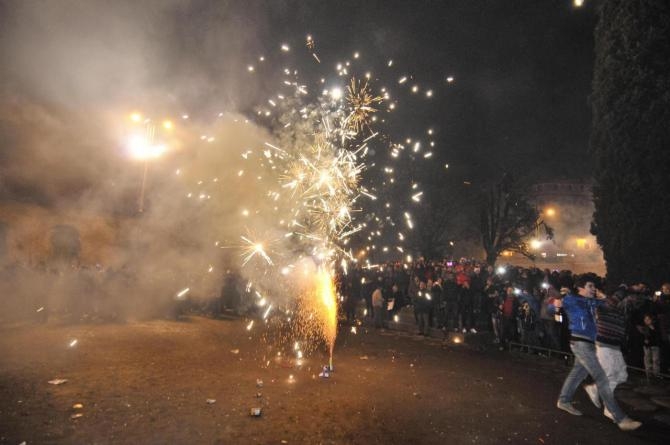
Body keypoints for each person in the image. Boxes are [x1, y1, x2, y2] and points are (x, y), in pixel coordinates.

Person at [556, 275, 641, 431]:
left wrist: (608, 297)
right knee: (601, 377)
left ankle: (564, 400)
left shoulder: (591, 302)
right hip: (580, 342)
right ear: (580, 288)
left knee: (578, 373)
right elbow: (559, 304)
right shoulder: (572, 299)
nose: (594, 289)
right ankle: (620, 418)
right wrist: (555, 303)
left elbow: (607, 303)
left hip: (588, 343)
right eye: (590, 286)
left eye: (594, 286)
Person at [583, 292, 629, 422]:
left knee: (621, 375)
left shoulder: (620, 313)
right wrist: (624, 289)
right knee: (609, 376)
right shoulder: (603, 308)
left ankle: (595, 388)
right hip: (604, 346)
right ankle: (609, 409)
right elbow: (610, 302)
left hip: (615, 347)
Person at [638, 313, 661, 378]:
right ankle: (648, 374)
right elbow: (642, 337)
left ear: (651, 320)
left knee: (655, 360)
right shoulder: (643, 328)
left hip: (654, 345)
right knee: (647, 360)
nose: (646, 320)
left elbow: (657, 336)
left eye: (648, 319)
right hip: (646, 346)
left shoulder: (655, 326)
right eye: (645, 319)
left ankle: (656, 374)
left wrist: (652, 328)